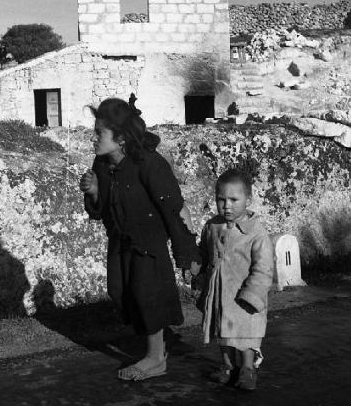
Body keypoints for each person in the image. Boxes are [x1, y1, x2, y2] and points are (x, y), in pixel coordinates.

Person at [79, 96, 199, 381]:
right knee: (121, 292)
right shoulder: (102, 163)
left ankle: (156, 358)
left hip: (148, 245)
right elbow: (103, 209)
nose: (93, 139)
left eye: (99, 133)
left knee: (148, 297)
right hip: (121, 243)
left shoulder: (149, 164)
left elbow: (173, 209)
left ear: (120, 138)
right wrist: (95, 191)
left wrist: (187, 253)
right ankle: (153, 347)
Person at [195, 168, 273, 391]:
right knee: (222, 331)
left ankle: (248, 369)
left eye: (233, 199)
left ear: (248, 200)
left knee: (246, 333)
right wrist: (196, 264)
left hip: (243, 295)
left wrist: (253, 294)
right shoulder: (211, 227)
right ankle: (228, 366)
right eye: (221, 199)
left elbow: (264, 267)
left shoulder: (256, 233)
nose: (227, 205)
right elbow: (204, 252)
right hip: (219, 292)